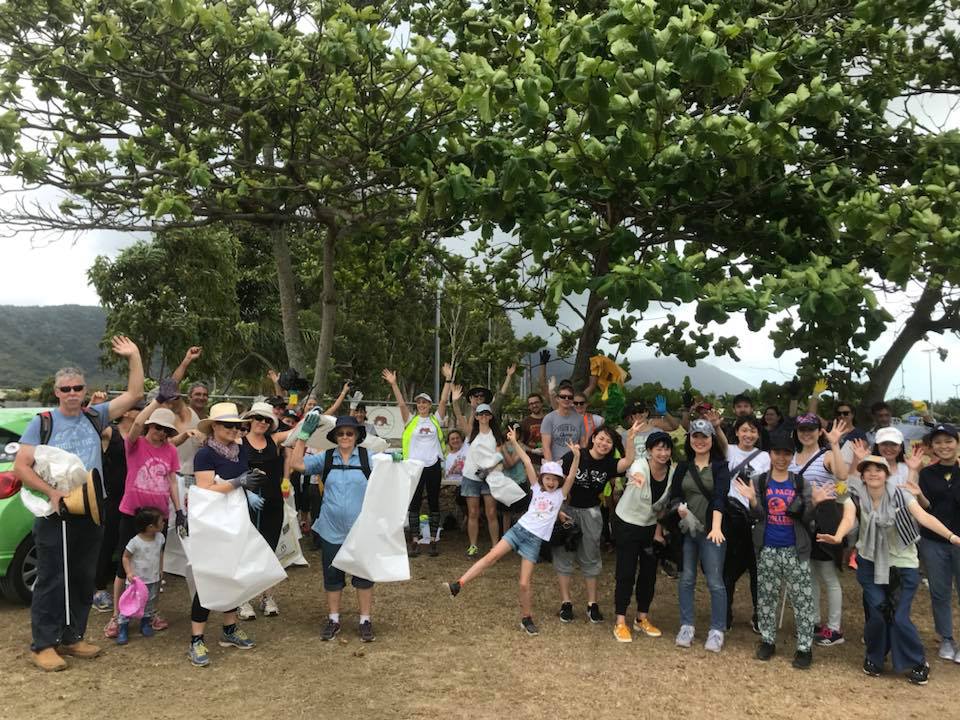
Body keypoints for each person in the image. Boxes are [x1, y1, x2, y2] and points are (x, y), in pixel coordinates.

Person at [14, 336, 144, 672]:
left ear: (85, 390)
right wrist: (52, 492)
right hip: (56, 513)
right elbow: (21, 466)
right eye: (66, 388)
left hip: (92, 510)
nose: (73, 393)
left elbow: (134, 395)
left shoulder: (95, 416)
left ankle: (72, 638)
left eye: (78, 388)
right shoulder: (43, 422)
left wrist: (134, 357)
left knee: (84, 577)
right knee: (53, 578)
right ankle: (43, 644)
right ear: (56, 392)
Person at [818, 453, 960, 684]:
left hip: (903, 566)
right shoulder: (855, 496)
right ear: (862, 475)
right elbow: (848, 518)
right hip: (869, 564)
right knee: (877, 614)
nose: (873, 473)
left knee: (899, 617)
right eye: (868, 469)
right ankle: (875, 656)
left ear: (887, 474)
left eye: (879, 469)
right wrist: (838, 537)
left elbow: (924, 517)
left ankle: (917, 661)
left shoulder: (902, 495)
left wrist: (952, 536)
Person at [443, 433, 580, 636]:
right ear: (542, 478)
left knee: (524, 583)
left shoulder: (560, 495)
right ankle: (458, 584)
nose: (551, 483)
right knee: (491, 557)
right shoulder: (536, 488)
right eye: (548, 478)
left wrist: (576, 456)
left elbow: (571, 475)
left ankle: (526, 618)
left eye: (555, 480)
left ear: (559, 482)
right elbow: (525, 461)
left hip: (533, 542)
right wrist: (515, 440)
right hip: (518, 531)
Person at [289, 413, 378, 642]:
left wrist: (398, 461)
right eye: (341, 433)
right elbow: (296, 464)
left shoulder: (370, 458)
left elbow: (394, 475)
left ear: (357, 435)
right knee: (332, 576)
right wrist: (303, 437)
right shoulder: (326, 458)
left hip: (360, 530)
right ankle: (334, 619)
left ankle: (365, 620)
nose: (345, 436)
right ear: (335, 436)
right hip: (331, 528)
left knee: (363, 576)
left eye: (350, 433)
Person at [104, 400, 184, 639]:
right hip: (133, 513)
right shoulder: (135, 444)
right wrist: (158, 400)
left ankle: (151, 611)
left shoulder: (170, 450)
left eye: (166, 430)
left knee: (154, 566)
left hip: (159, 516)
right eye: (157, 428)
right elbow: (137, 422)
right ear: (150, 426)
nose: (161, 434)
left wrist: (179, 510)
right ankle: (117, 615)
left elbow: (171, 480)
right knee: (124, 565)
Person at [188, 403, 259, 666]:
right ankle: (197, 639)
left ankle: (230, 629)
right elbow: (205, 487)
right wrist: (238, 483)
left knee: (233, 572)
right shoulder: (204, 455)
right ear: (215, 427)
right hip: (211, 521)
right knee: (209, 575)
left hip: (235, 517)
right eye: (228, 425)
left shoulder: (240, 451)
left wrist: (246, 485)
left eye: (236, 426)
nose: (233, 430)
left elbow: (239, 478)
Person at [742, 433, 817, 669]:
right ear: (770, 454)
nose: (782, 458)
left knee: (802, 600)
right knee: (766, 598)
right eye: (777, 453)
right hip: (768, 548)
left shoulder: (800, 482)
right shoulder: (759, 481)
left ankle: (804, 647)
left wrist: (815, 503)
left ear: (792, 455)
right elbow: (757, 517)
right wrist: (753, 503)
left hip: (795, 548)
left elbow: (807, 519)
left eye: (787, 453)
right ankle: (767, 640)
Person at [554, 423, 639, 624]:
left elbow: (627, 461)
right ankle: (566, 602)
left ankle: (592, 604)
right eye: (601, 438)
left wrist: (631, 437)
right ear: (593, 438)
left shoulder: (609, 464)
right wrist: (556, 510)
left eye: (609, 441)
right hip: (567, 511)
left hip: (591, 513)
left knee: (591, 556)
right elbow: (555, 479)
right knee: (563, 556)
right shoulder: (575, 455)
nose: (604, 443)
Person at [670, 418, 731, 653]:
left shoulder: (720, 467)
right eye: (695, 436)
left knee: (715, 581)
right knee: (686, 579)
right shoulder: (684, 467)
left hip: (711, 532)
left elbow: (719, 497)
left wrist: (715, 527)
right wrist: (679, 509)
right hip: (687, 531)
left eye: (704, 436)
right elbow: (675, 495)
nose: (700, 441)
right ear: (690, 439)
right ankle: (686, 625)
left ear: (712, 440)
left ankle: (717, 630)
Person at [791, 413, 850, 647]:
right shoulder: (793, 457)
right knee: (810, 575)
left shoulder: (825, 455)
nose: (807, 433)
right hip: (802, 520)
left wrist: (834, 444)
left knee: (828, 575)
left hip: (824, 520)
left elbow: (842, 475)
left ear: (819, 431)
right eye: (802, 429)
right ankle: (814, 621)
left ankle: (834, 629)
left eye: (811, 429)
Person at [612, 431, 677, 642]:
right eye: (658, 448)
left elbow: (663, 507)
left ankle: (642, 618)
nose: (663, 453)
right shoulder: (640, 465)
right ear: (649, 451)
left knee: (649, 574)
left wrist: (659, 532)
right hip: (627, 524)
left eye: (666, 448)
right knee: (626, 571)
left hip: (650, 527)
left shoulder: (672, 472)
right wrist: (636, 479)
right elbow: (636, 472)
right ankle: (620, 621)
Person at [382, 366, 452, 557]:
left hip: (433, 466)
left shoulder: (436, 419)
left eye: (425, 402)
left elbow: (444, 400)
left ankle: (433, 541)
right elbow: (401, 405)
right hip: (413, 467)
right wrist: (394, 384)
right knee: (414, 503)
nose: (422, 405)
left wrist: (448, 380)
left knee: (433, 502)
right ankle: (414, 540)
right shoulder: (411, 420)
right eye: (419, 402)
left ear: (430, 405)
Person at [236, 401, 294, 620]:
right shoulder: (238, 441)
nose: (262, 422)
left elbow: (297, 432)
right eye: (258, 418)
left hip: (272, 501)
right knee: (247, 550)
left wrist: (313, 418)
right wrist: (245, 490)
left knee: (269, 549)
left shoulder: (274, 440)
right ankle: (243, 599)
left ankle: (267, 596)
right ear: (250, 419)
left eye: (266, 419)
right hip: (246, 502)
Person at [912, 423, 960, 663]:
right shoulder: (927, 473)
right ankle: (947, 639)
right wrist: (918, 493)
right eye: (938, 442)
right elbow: (925, 507)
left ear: (957, 443)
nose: (944, 446)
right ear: (932, 447)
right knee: (940, 593)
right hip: (934, 542)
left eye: (949, 441)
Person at [92, 400, 141, 615]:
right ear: (128, 412)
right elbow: (91, 430)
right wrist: (94, 408)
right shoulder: (111, 433)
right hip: (112, 497)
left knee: (129, 544)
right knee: (107, 542)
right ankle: (99, 589)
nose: (141, 412)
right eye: (139, 408)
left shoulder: (140, 436)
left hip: (133, 497)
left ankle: (131, 585)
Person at [724, 416, 771, 634]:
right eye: (744, 430)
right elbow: (718, 440)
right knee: (729, 569)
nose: (748, 435)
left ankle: (759, 615)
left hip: (756, 517)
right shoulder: (729, 450)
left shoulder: (765, 457)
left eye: (753, 431)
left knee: (757, 571)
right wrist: (715, 426)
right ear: (736, 432)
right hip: (732, 516)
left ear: (758, 434)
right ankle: (725, 613)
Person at [115, 506, 166, 646]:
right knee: (129, 604)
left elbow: (160, 553)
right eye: (161, 521)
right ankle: (123, 627)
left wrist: (161, 568)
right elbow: (125, 557)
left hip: (153, 578)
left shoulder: (160, 538)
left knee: (150, 601)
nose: (164, 523)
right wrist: (129, 573)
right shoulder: (135, 542)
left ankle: (145, 623)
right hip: (136, 582)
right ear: (150, 527)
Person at [460, 403, 505, 557]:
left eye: (487, 414)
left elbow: (499, 457)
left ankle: (495, 547)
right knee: (472, 512)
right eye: (481, 414)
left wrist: (488, 470)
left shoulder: (496, 435)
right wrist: (455, 402)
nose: (484, 416)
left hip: (489, 477)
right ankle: (473, 545)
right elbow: (459, 418)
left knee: (491, 513)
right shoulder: (471, 433)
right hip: (471, 477)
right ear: (477, 416)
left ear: (491, 416)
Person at [540, 386, 584, 463]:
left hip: (575, 462)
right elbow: (546, 447)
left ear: (573, 400)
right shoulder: (549, 418)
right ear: (557, 399)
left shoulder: (580, 419)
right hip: (556, 462)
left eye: (570, 397)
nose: (566, 399)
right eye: (563, 397)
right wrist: (551, 467)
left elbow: (583, 443)